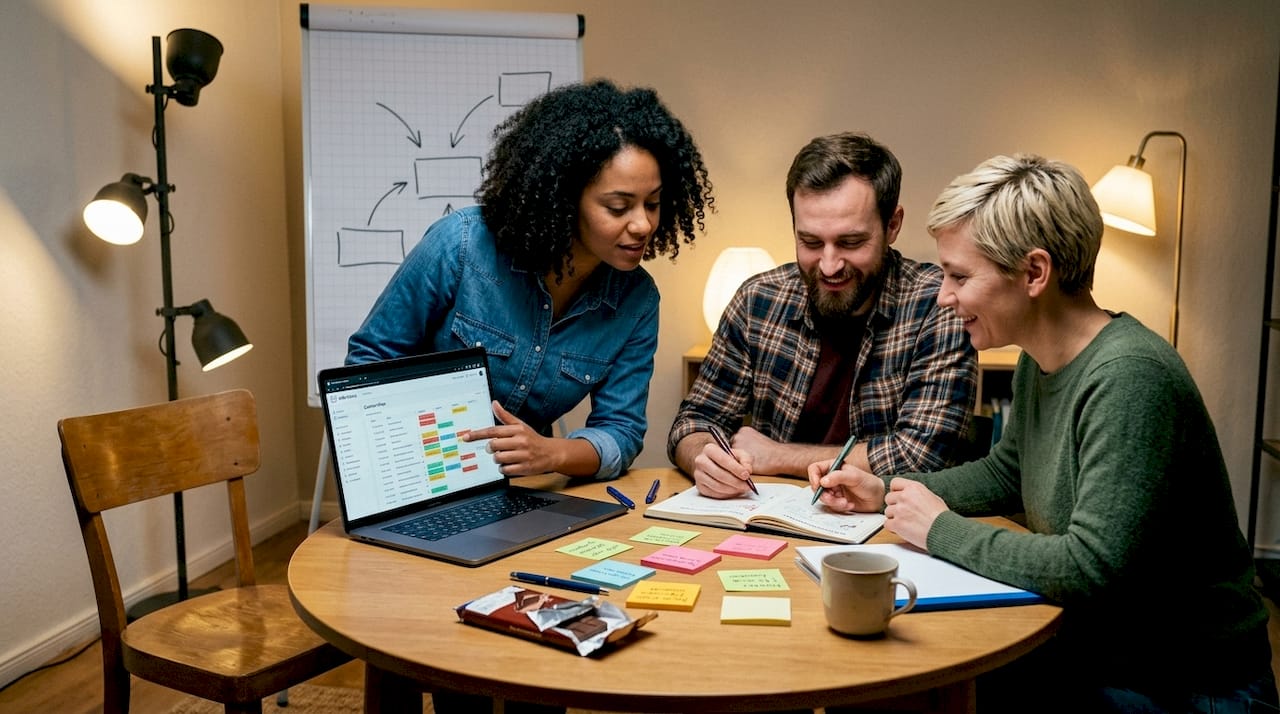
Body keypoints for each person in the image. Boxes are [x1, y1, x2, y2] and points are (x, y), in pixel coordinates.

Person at [809, 153, 1278, 713]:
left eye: (960, 276)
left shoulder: (1130, 378)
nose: (943, 295)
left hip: (1186, 685)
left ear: (1034, 273)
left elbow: (1090, 568)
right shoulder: (1042, 357)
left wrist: (940, 531)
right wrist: (883, 488)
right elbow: (1008, 472)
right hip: (1102, 653)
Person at [347, 79, 714, 485]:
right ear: (563, 198)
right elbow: (368, 362)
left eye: (653, 203)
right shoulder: (461, 246)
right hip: (418, 476)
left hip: (521, 492)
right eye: (618, 206)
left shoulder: (636, 301)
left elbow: (621, 432)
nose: (643, 223)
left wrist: (551, 452)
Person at [668, 132, 976, 498]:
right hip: (768, 520)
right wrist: (706, 457)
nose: (829, 265)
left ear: (892, 225)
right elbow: (693, 421)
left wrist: (779, 456)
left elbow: (922, 456)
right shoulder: (757, 300)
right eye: (811, 242)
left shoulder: (939, 304)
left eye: (851, 242)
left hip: (889, 528)